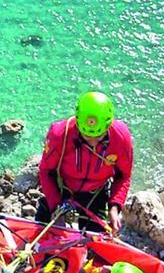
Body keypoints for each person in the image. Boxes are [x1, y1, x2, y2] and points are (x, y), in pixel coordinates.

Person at [36, 91, 134, 233]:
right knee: (42, 237)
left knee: (95, 245)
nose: (93, 143)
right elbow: (45, 171)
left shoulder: (121, 137)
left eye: (99, 137)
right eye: (87, 137)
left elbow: (123, 176)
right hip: (62, 190)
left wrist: (115, 206)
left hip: (95, 194)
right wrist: (55, 205)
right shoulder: (59, 135)